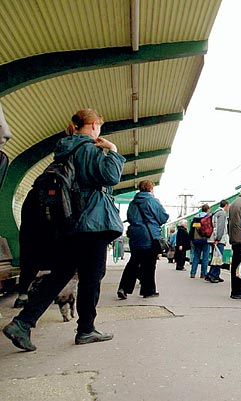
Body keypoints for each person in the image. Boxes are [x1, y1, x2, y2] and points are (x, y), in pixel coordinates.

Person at [3, 108, 125, 351]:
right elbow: (111, 176)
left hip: (69, 223)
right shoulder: (89, 150)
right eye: (98, 125)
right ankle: (86, 329)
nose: (99, 130)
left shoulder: (64, 151)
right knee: (92, 276)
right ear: (92, 126)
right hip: (92, 223)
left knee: (60, 274)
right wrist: (113, 151)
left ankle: (23, 322)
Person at [117, 180, 169, 299]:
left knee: (133, 262)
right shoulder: (153, 201)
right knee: (149, 264)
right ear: (150, 189)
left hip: (135, 236)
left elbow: (130, 218)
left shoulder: (133, 203)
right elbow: (163, 217)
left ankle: (123, 288)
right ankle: (148, 290)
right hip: (150, 237)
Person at [207, 199, 230, 283]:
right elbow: (220, 227)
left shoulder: (216, 213)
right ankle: (212, 275)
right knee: (217, 257)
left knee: (216, 257)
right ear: (226, 205)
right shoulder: (222, 213)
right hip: (219, 240)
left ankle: (216, 274)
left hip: (215, 238)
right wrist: (218, 239)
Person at [189, 204, 212, 279]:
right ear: (208, 209)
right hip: (205, 239)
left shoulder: (195, 218)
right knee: (205, 257)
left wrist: (191, 239)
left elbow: (192, 230)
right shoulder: (208, 217)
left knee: (196, 256)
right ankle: (203, 274)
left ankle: (193, 273)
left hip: (196, 239)